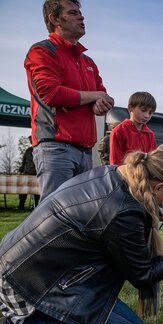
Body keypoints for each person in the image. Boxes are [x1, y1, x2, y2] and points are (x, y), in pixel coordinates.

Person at [0, 144, 163, 324]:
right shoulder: (123, 211)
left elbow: (108, 213)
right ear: (158, 186)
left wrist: (158, 211)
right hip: (31, 283)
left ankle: (28, 321)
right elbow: (144, 275)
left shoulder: (113, 174)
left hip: (20, 266)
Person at [25, 0, 114, 199]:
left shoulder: (88, 61)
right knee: (54, 215)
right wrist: (95, 96)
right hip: (55, 146)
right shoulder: (42, 51)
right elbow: (51, 93)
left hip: (85, 149)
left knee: (80, 213)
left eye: (80, 12)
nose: (81, 17)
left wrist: (102, 103)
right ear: (55, 18)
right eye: (73, 13)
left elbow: (103, 95)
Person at [109, 92, 157, 166]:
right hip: (125, 175)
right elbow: (115, 162)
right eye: (143, 110)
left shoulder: (150, 134)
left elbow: (153, 161)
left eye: (150, 113)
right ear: (130, 108)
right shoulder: (119, 131)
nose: (147, 116)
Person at [16, 146, 40, 210]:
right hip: (28, 173)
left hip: (35, 173)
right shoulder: (29, 150)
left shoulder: (38, 149)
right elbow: (23, 161)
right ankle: (21, 205)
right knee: (24, 191)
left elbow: (23, 161)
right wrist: (21, 169)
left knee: (35, 192)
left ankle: (34, 206)